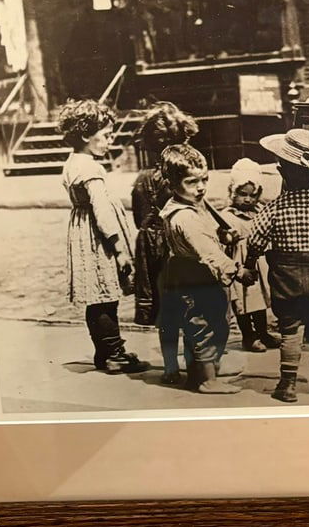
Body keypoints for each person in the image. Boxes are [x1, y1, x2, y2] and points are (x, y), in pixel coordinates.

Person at [241, 129, 309, 403]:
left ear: (282, 171)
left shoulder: (275, 207)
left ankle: (287, 385)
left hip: (286, 277)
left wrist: (250, 266)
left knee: (289, 329)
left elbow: (254, 240)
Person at [55, 99, 145, 374]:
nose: (109, 140)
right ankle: (114, 353)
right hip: (97, 236)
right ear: (85, 135)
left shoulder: (74, 162)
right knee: (106, 295)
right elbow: (102, 211)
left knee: (98, 295)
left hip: (83, 231)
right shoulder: (90, 168)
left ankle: (104, 352)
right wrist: (118, 249)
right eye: (105, 135)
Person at [157, 144, 242, 395]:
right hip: (197, 274)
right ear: (173, 184)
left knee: (199, 324)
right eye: (191, 181)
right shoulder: (185, 216)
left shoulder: (190, 206)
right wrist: (236, 270)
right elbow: (207, 251)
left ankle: (199, 374)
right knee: (207, 325)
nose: (201, 187)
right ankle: (207, 380)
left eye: (204, 179)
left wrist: (223, 237)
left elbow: (207, 237)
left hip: (184, 270)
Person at [130, 101, 199, 332]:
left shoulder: (142, 178)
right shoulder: (181, 178)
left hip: (149, 243)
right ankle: (197, 360)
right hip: (176, 243)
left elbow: (139, 218)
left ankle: (170, 364)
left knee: (162, 308)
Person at [220, 158, 279, 352]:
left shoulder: (261, 212)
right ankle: (248, 336)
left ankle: (263, 333)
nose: (247, 199)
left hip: (260, 264)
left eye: (252, 195)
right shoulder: (226, 216)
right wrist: (229, 237)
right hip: (240, 264)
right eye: (242, 194)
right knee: (244, 302)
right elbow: (220, 239)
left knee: (259, 299)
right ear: (232, 192)